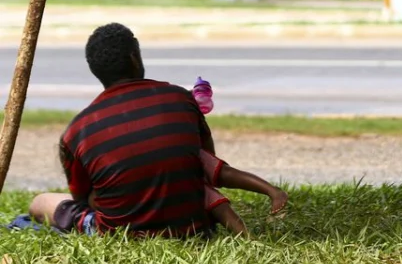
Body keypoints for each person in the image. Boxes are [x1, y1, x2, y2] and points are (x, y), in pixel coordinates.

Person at [29, 23, 287, 237]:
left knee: (41, 202)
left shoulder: (77, 131)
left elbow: (81, 197)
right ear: (134, 58)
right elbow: (206, 158)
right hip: (193, 224)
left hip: (121, 232)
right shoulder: (180, 97)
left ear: (95, 70)